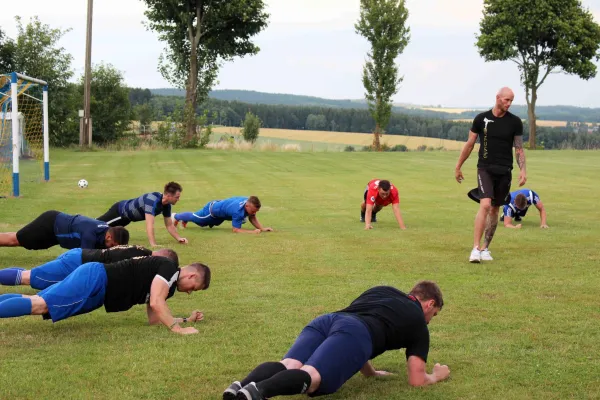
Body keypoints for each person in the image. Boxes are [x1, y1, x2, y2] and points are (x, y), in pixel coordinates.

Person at [223, 282, 449, 400]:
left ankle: (238, 388)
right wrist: (437, 376)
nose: (429, 321)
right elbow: (417, 380)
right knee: (312, 377)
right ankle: (257, 392)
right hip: (354, 331)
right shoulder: (418, 322)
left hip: (329, 320)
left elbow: (352, 339)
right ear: (429, 304)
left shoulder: (383, 290)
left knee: (289, 364)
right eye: (434, 315)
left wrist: (370, 372)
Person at [0, 256, 211, 335]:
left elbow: (155, 318)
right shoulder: (169, 268)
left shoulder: (169, 283)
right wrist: (178, 330)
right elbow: (156, 302)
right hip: (95, 280)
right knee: (40, 305)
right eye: (195, 287)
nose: (191, 291)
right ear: (192, 275)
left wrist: (185, 319)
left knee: (37, 302)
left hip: (97, 287)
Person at [455, 87, 527, 263]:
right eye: (506, 100)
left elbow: (518, 148)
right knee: (485, 204)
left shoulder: (515, 122)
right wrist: (458, 166)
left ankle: (485, 248)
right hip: (485, 169)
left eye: (511, 100)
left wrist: (523, 170)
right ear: (498, 98)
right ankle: (475, 249)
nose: (508, 103)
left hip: (505, 171)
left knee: (495, 208)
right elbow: (470, 144)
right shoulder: (481, 119)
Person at [0, 245, 179, 290]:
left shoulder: (142, 250)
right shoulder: (144, 258)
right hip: (77, 262)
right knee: (30, 277)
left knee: (32, 275)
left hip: (79, 255)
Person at [96, 182, 188, 247]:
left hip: (127, 218)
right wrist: (153, 244)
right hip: (120, 212)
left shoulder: (167, 205)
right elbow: (149, 224)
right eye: (177, 197)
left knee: (106, 234)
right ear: (168, 195)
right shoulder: (152, 200)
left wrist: (178, 238)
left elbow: (169, 225)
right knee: (97, 226)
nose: (178, 199)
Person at [0, 210, 129, 251]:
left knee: (19, 239)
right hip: (49, 225)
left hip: (56, 234)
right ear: (109, 238)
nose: (111, 249)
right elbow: (84, 262)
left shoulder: (105, 229)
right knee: (16, 240)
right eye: (113, 246)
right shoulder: (90, 235)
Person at [173, 196, 273, 234]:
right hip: (212, 210)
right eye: (253, 211)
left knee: (202, 225)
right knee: (198, 219)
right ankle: (176, 216)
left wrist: (262, 228)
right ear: (247, 206)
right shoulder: (237, 211)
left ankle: (185, 219)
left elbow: (252, 217)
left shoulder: (248, 201)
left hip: (221, 213)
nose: (254, 213)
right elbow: (236, 230)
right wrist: (252, 232)